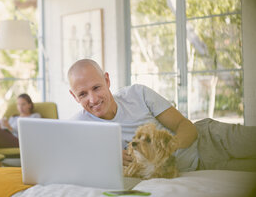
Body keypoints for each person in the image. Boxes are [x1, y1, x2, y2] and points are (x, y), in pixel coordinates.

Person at [67, 59, 256, 172]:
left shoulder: (137, 94)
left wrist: (167, 147)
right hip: (200, 167)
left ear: (107, 80)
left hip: (210, 139)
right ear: (73, 96)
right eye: (82, 94)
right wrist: (105, 156)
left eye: (97, 87)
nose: (92, 99)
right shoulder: (76, 126)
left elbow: (186, 126)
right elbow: (59, 161)